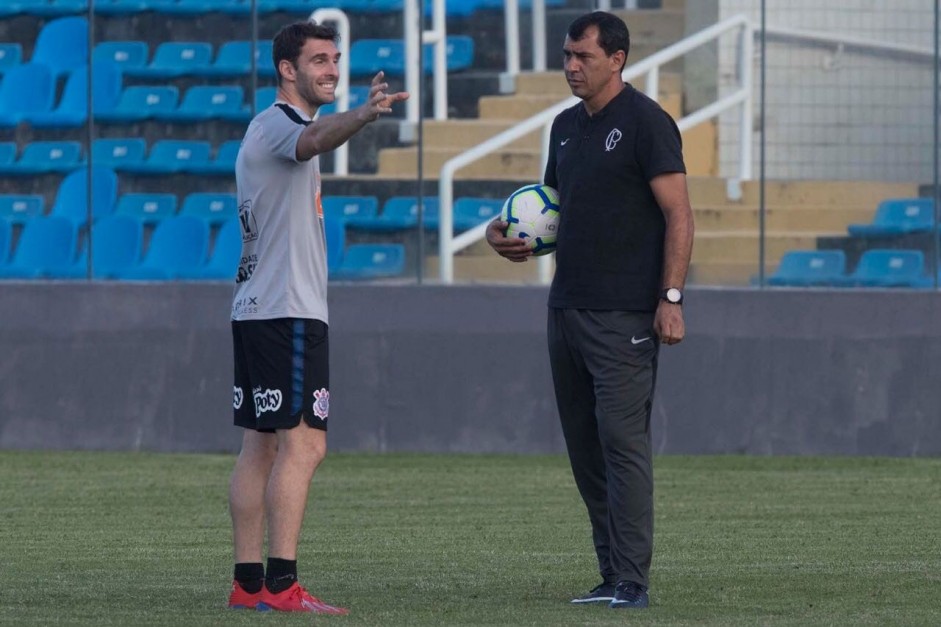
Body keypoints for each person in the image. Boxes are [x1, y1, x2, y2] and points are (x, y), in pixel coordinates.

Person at [486, 11, 694, 610]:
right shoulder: (564, 127)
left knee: (622, 445)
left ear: (618, 59)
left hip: (626, 315)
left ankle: (633, 580)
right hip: (566, 309)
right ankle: (609, 573)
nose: (572, 66)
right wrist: (503, 237)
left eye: (584, 56)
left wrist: (671, 298)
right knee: (585, 449)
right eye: (567, 56)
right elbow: (549, 211)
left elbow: (680, 214)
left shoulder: (648, 123)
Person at [226, 21, 408, 614]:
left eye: (336, 59)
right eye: (319, 60)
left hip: (258, 308)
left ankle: (248, 583)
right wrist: (363, 114)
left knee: (262, 447)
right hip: (287, 312)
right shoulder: (282, 123)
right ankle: (282, 585)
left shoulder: (267, 128)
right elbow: (314, 140)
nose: (331, 69)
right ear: (287, 69)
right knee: (304, 446)